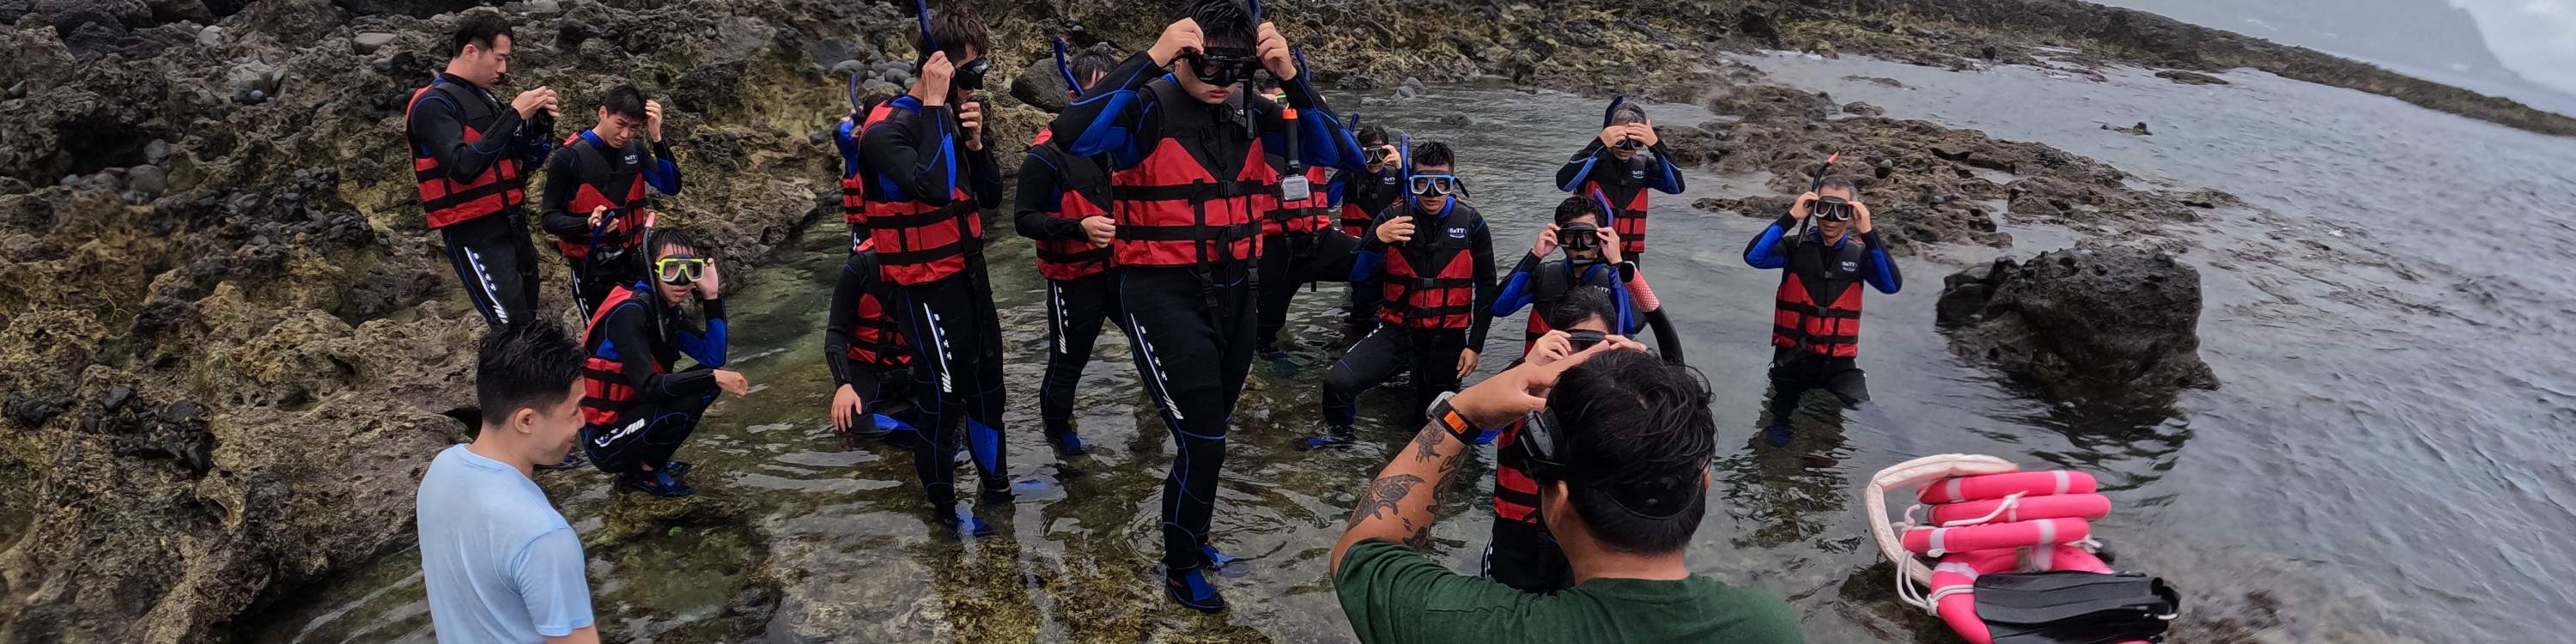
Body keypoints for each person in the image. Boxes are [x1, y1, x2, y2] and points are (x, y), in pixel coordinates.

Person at [1049, 0, 1361, 611]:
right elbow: (1073, 134)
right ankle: (1181, 565)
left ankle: (1191, 537)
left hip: (1236, 292)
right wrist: (1152, 58)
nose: (1222, 85)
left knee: (1210, 436)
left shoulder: (1253, 108)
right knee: (1204, 442)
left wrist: (1292, 76)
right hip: (1162, 294)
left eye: (1235, 72)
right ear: (1186, 54)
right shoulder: (1147, 108)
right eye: (1209, 69)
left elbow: (1340, 155)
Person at [1328, 343, 1802, 644]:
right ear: (1703, 481)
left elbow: (1361, 554)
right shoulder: (1767, 627)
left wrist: (1465, 413)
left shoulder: (1479, 626)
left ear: (1555, 502)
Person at [853, 5, 1014, 534]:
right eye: (971, 73)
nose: (976, 85)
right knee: (943, 402)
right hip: (922, 289)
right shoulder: (885, 130)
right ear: (936, 67)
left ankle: (998, 491)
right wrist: (936, 107)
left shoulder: (949, 119)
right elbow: (934, 186)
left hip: (968, 275)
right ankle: (946, 517)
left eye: (982, 72)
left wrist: (975, 143)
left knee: (990, 387)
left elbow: (988, 198)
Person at [1301, 142, 1494, 451]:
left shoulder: (1471, 223)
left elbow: (1487, 287)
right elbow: (1359, 275)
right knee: (1337, 384)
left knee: (1425, 421)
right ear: (1411, 182)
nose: (1431, 193)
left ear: (1453, 182)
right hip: (1397, 331)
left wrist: (1475, 347)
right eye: (1422, 184)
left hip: (1447, 338)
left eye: (1441, 183)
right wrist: (1376, 240)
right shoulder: (1391, 217)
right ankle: (1341, 438)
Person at [417, 321, 600, 644]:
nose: (583, 421)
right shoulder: (544, 536)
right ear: (526, 420)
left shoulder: (440, 470)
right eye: (575, 410)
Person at [406, 11, 558, 327]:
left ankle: (525, 377)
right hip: (474, 231)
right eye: (499, 59)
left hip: (512, 222)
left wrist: (541, 125)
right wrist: (514, 113)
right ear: (472, 51)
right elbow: (463, 167)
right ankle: (507, 376)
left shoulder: (487, 100)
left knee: (527, 320)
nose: (503, 70)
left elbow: (525, 161)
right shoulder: (432, 104)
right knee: (510, 325)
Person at [576, 229, 748, 497]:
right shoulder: (630, 313)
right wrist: (711, 377)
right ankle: (642, 473)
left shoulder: (665, 312)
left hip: (633, 418)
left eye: (690, 270)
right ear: (651, 269)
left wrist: (712, 297)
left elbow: (713, 357)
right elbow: (649, 387)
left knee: (708, 382)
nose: (681, 281)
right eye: (670, 270)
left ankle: (649, 463)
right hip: (605, 441)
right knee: (695, 393)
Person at [1012, 49, 1122, 457]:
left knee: (1158, 346)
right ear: (1073, 96)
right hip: (1073, 281)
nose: (1104, 100)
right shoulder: (1045, 156)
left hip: (1121, 272)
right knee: (1067, 364)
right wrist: (1078, 228)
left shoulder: (1120, 145)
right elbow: (1023, 219)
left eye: (1112, 89)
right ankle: (1059, 436)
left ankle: (1162, 415)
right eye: (1094, 90)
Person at [1742, 176, 1900, 447]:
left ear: (1852, 213)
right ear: (1813, 207)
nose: (1831, 218)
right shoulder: (1794, 249)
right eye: (1824, 207)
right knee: (1776, 440)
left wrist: (1868, 232)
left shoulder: (1860, 255)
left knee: (1864, 416)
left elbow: (1890, 285)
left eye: (1841, 210)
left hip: (1838, 366)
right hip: (1792, 362)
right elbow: (1753, 257)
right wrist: (1791, 216)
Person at [1253, 79, 1367, 374]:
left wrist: (1316, 105)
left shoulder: (1313, 140)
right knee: (1263, 329)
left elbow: (1349, 154)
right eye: (1272, 103)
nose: (1282, 110)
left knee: (1377, 261)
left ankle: (1359, 325)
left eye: (1285, 102)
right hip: (1271, 248)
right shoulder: (1248, 142)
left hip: (1319, 240)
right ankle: (1270, 358)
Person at [539, 85, 681, 318]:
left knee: (649, 333)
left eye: (634, 128)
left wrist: (656, 137)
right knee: (602, 340)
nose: (625, 134)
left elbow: (671, 186)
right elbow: (550, 219)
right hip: (592, 269)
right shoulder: (568, 158)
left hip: (634, 261)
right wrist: (588, 222)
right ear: (603, 113)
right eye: (620, 124)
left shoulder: (635, 150)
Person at [1555, 103, 1683, 263]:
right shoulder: (1593, 162)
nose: (1626, 148)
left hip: (1627, 258)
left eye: (1635, 142)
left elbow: (1677, 187)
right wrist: (1600, 143)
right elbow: (1564, 183)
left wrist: (1656, 145)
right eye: (1620, 140)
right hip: (1588, 253)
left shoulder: (1645, 168)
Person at [1330, 124, 1402, 336]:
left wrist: (1401, 168)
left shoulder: (1396, 175)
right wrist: (1347, 165)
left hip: (1389, 251)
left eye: (1381, 154)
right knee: (1359, 299)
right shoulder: (1350, 175)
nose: (1375, 161)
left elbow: (1416, 202)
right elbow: (1325, 200)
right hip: (1358, 250)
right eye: (1369, 154)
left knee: (1385, 298)